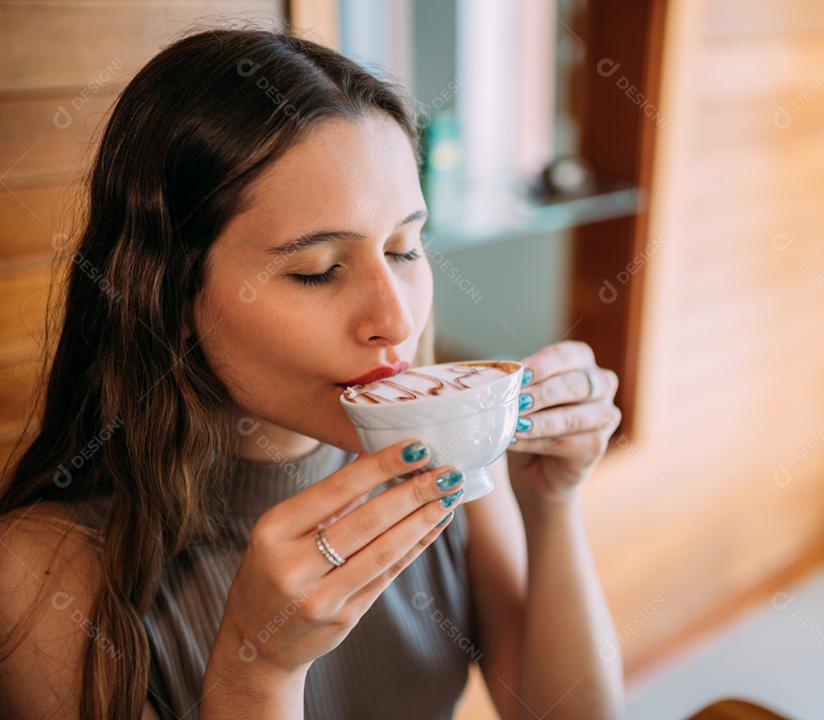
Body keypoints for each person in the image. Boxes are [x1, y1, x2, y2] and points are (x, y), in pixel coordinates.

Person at [0, 28, 624, 720]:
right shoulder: (42, 575)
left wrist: (552, 506)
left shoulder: (448, 458)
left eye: (405, 249)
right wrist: (257, 671)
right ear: (169, 296)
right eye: (318, 271)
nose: (395, 320)